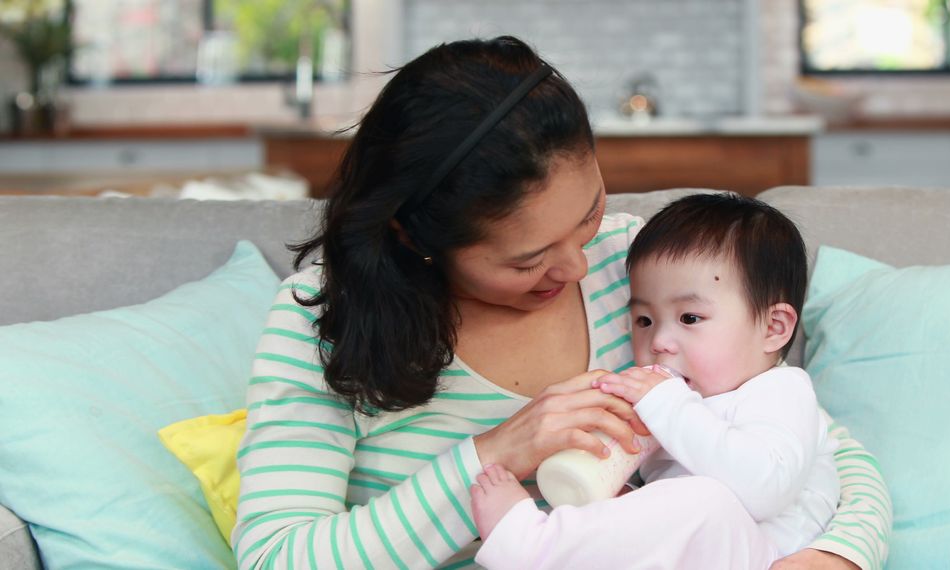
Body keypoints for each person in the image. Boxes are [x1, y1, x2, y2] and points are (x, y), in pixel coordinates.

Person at [233, 35, 891, 570]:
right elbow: (275, 558)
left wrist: (831, 556)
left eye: (590, 213)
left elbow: (827, 455)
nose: (577, 265)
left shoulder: (645, 277)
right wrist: (494, 455)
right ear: (418, 238)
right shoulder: (322, 319)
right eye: (528, 260)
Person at [470, 193, 841, 569]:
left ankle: (531, 546)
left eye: (690, 319)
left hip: (764, 557)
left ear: (773, 328)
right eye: (644, 321)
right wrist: (620, 494)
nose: (659, 343)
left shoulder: (780, 391)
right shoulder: (676, 408)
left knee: (708, 501)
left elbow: (763, 491)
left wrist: (667, 405)